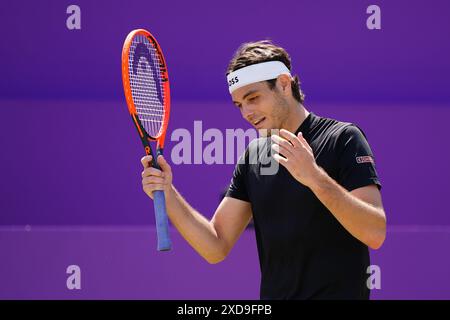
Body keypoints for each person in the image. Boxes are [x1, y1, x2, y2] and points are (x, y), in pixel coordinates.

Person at [140, 40, 386, 299]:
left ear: (283, 83)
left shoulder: (343, 138)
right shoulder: (254, 157)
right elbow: (215, 245)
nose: (246, 112)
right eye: (239, 104)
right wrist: (168, 193)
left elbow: (375, 232)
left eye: (253, 98)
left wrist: (313, 177)